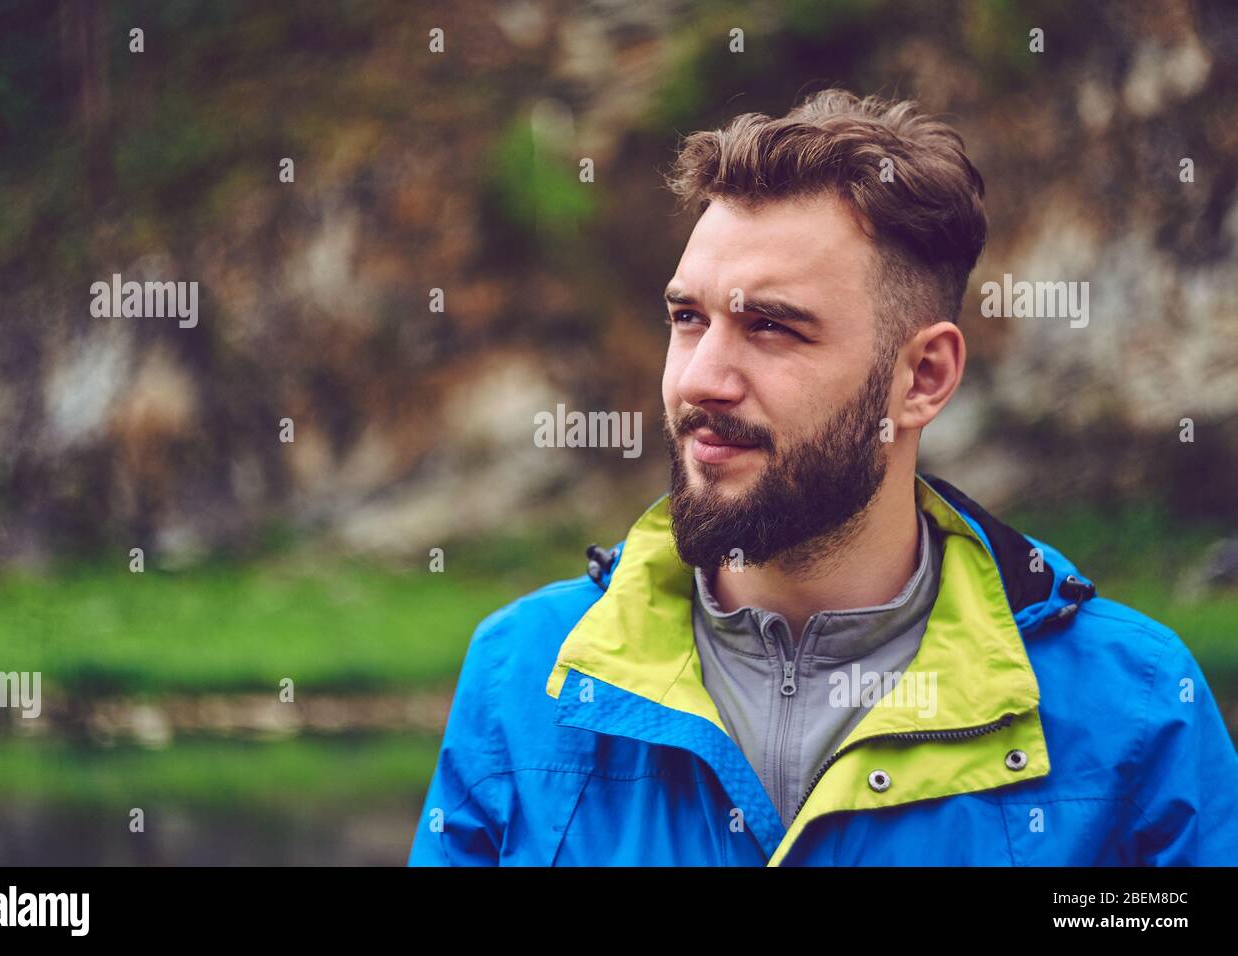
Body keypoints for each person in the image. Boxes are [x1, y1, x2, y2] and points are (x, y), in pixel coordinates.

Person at [408, 89, 1238, 866]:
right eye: (688, 319)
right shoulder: (523, 677)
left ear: (922, 379)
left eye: (771, 328)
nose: (701, 378)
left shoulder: (1139, 711)